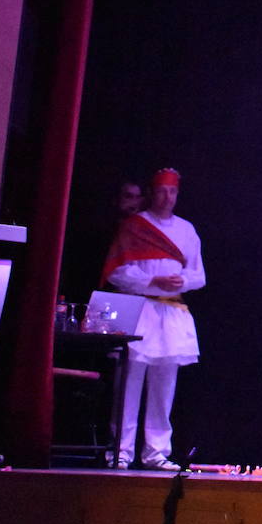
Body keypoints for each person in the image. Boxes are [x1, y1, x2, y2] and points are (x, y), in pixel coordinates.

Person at [102, 167, 205, 471]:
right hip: (140, 309)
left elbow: (199, 275)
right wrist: (153, 282)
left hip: (171, 311)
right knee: (129, 382)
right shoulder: (135, 226)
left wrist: (180, 282)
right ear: (152, 193)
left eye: (172, 191)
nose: (167, 197)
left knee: (164, 385)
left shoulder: (187, 230)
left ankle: (156, 452)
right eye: (161, 190)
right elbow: (117, 272)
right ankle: (120, 451)